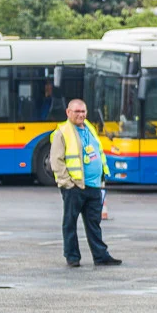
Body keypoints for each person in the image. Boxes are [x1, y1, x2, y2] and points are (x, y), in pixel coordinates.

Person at [50, 99, 122, 268]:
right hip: (75, 187)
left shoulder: (89, 127)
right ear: (68, 112)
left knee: (94, 223)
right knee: (70, 222)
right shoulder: (63, 132)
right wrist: (67, 183)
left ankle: (101, 256)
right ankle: (72, 256)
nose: (81, 115)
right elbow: (56, 161)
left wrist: (102, 176)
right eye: (77, 111)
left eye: (83, 111)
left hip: (94, 186)